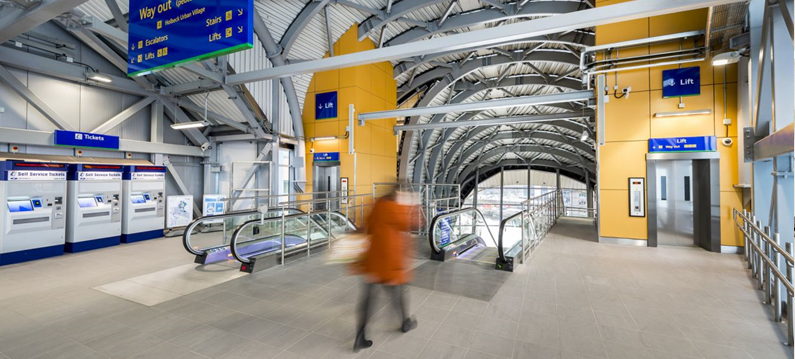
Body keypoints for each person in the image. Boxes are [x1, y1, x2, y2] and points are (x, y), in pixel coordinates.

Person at [353, 190, 421, 352]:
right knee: (398, 293)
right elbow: (414, 225)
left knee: (368, 299)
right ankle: (405, 322)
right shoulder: (398, 209)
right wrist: (414, 206)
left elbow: (366, 229)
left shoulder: (376, 207)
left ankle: (360, 336)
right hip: (391, 263)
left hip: (374, 261)